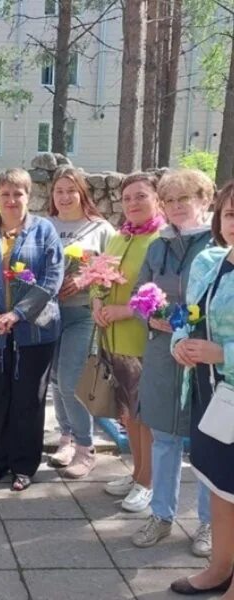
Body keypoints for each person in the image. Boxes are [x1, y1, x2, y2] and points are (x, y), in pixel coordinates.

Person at [0, 168, 63, 492]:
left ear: (28, 196)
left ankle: (24, 464)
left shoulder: (44, 231)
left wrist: (17, 314)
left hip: (35, 329)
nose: (11, 200)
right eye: (5, 193)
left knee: (29, 399)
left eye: (17, 193)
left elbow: (52, 278)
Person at [130, 169, 214, 554]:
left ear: (204, 202)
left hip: (205, 357)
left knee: (205, 443)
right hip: (164, 354)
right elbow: (138, 295)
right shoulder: (157, 246)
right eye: (170, 200)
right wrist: (150, 315)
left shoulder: (217, 245)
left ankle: (209, 524)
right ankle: (161, 516)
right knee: (164, 438)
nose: (178, 207)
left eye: (186, 199)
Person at [169, 181, 234, 596]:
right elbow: (187, 315)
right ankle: (221, 566)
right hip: (211, 397)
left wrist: (223, 353)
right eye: (231, 214)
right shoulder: (211, 260)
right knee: (220, 484)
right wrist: (180, 343)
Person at [94, 172, 165, 513]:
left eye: (141, 196)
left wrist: (124, 310)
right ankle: (137, 472)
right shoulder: (119, 237)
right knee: (128, 414)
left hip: (143, 340)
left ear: (156, 198)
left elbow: (163, 292)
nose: (133, 203)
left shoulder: (161, 239)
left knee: (146, 415)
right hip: (113, 339)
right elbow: (99, 275)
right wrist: (96, 301)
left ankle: (148, 482)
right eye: (128, 198)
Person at [46, 167, 115, 478]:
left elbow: (113, 271)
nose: (64, 196)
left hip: (82, 314)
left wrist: (85, 279)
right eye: (59, 191)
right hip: (49, 314)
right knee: (56, 380)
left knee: (71, 379)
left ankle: (86, 449)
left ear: (82, 194)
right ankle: (67, 438)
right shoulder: (44, 225)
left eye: (71, 190)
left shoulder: (99, 228)